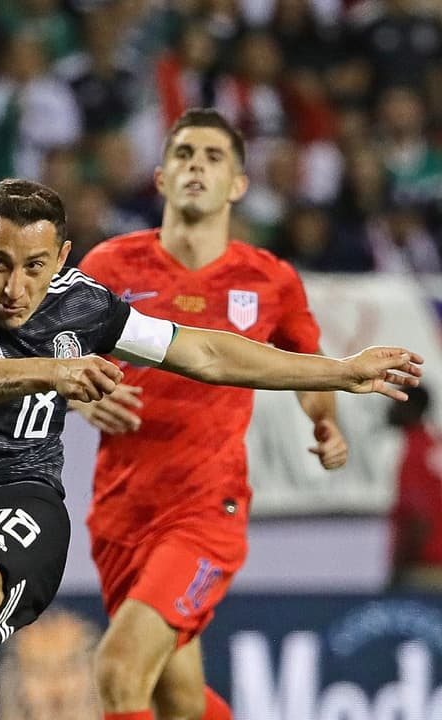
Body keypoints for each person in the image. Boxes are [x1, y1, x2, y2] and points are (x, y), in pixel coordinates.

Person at [0, 177, 421, 720]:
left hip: (21, 496)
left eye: (34, 266)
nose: (14, 286)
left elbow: (204, 352)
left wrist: (337, 371)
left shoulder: (86, 305)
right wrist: (55, 372)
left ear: (63, 258)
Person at [72, 108, 344, 720]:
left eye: (213, 157)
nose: (197, 166)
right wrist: (79, 392)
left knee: (118, 670)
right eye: (184, 155)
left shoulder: (268, 279)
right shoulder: (109, 267)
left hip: (205, 513)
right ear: (162, 177)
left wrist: (323, 420)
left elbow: (306, 361)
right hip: (120, 511)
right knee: (178, 698)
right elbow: (53, 355)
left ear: (238, 185)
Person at [387, 386, 442, 593]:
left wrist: (397, 567)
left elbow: (416, 517)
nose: (391, 409)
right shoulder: (434, 444)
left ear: (411, 407)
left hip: (425, 567)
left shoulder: (414, 452)